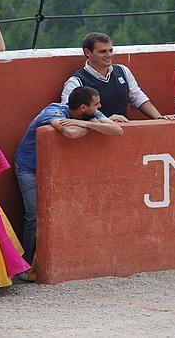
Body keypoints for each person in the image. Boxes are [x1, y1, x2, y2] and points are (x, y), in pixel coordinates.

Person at [15, 86, 123, 272]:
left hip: (52, 171)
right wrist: (96, 127)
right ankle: (26, 266)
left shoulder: (88, 115)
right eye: (96, 104)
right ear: (83, 108)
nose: (99, 107)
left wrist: (86, 125)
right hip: (29, 168)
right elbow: (71, 133)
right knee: (34, 216)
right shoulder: (54, 111)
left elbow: (116, 130)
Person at [61, 32, 175, 122]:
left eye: (110, 50)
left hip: (122, 134)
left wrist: (159, 118)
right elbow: (68, 114)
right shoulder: (76, 82)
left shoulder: (123, 70)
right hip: (92, 139)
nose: (109, 55)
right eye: (102, 51)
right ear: (87, 52)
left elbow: (138, 98)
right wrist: (104, 122)